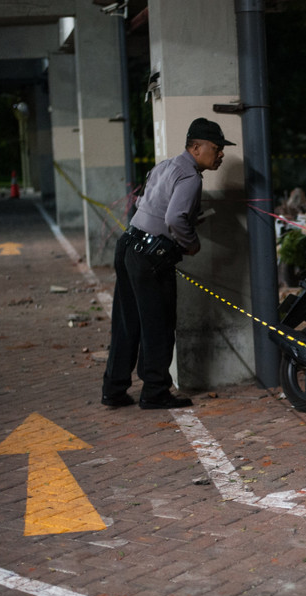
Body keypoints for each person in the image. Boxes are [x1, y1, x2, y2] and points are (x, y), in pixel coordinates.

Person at [101, 118, 235, 409]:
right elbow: (175, 218)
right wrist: (191, 243)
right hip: (151, 257)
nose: (221, 154)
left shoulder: (165, 166)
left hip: (129, 245)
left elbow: (143, 203)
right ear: (196, 147)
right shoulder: (190, 177)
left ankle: (113, 388)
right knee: (158, 324)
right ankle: (155, 391)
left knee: (127, 322)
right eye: (216, 148)